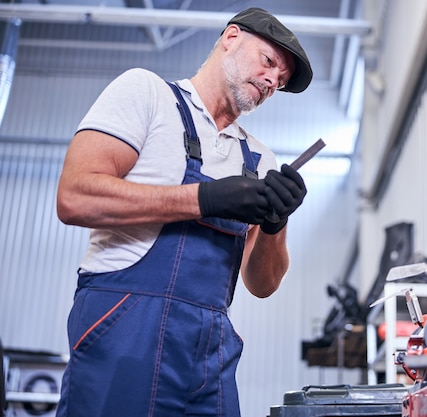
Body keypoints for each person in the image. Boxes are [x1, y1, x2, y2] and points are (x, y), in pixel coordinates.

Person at [54, 7, 312, 417]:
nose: (270, 82)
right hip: (126, 328)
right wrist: (204, 200)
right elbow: (74, 196)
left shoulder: (260, 160)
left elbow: (262, 284)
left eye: (280, 81)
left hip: (210, 348)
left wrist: (275, 223)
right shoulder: (148, 95)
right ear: (231, 38)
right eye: (268, 63)